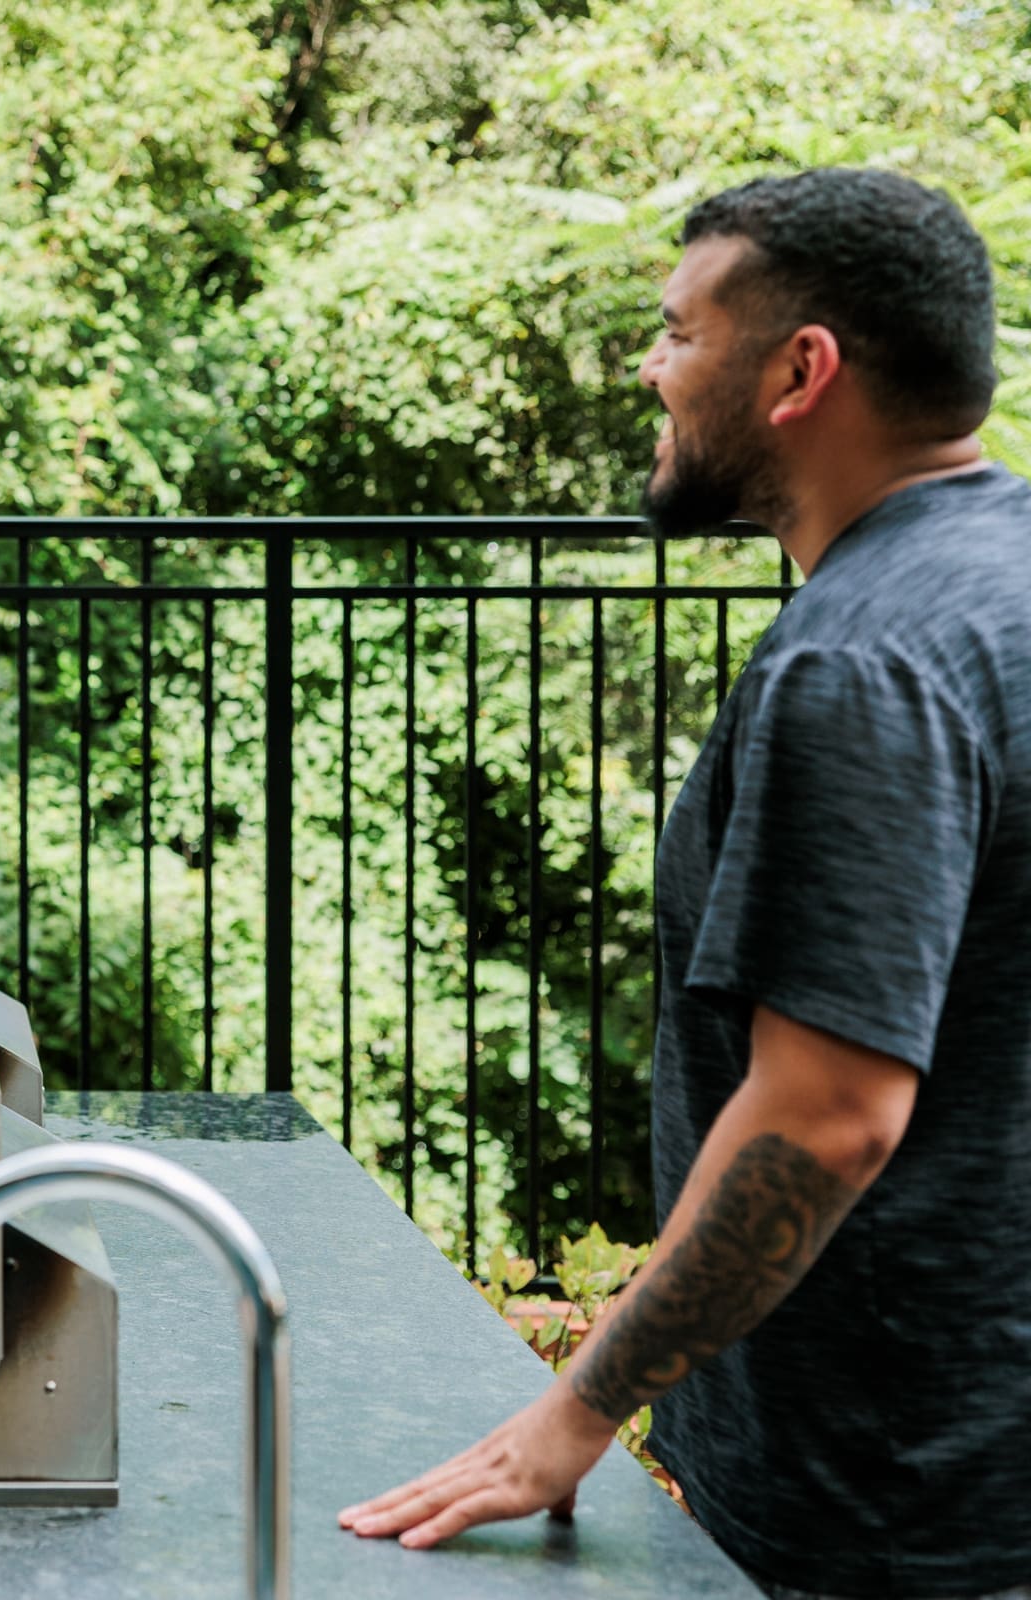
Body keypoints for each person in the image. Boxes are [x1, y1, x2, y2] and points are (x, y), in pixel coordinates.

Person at [341, 169, 1031, 1599]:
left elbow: (829, 1116)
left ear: (801, 369)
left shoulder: (861, 660)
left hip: (886, 1496)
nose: (650, 368)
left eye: (679, 332)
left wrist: (571, 1413)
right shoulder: (1004, 572)